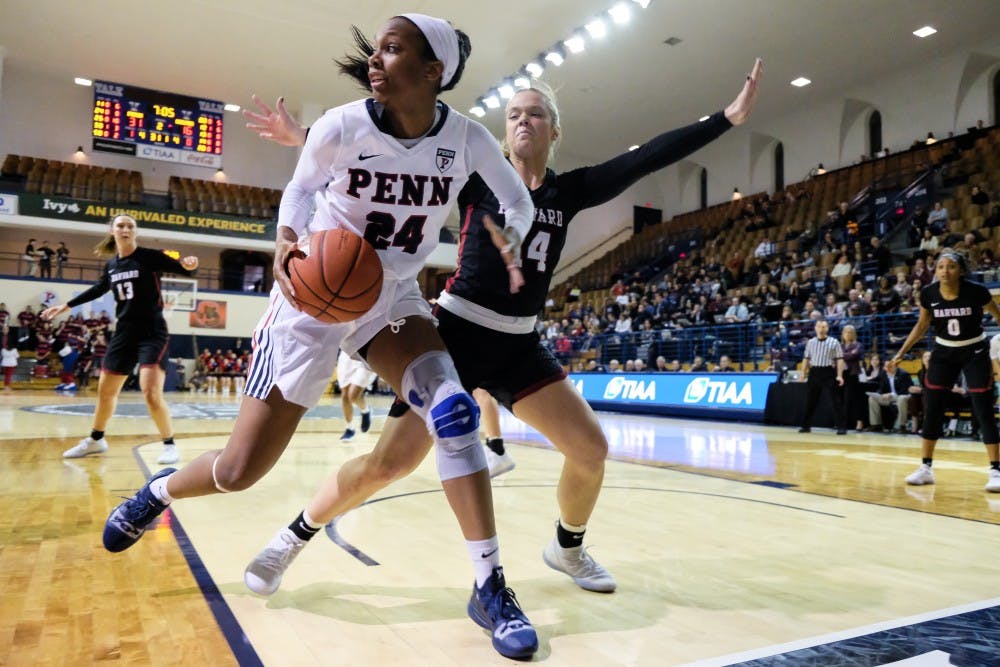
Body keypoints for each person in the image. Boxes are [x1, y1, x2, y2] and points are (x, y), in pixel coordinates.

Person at [241, 46, 763, 612]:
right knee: (389, 464)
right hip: (456, 336)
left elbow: (647, 159)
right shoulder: (474, 178)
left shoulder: (571, 191)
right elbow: (395, 149)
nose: (520, 120)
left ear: (553, 131)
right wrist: (307, 136)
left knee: (590, 449)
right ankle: (291, 537)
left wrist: (726, 119)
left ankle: (567, 548)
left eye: (533, 113)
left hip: (520, 343)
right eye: (513, 113)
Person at [103, 16, 540, 660]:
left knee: (452, 411)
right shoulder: (341, 123)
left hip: (387, 298)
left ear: (431, 73)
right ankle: (158, 492)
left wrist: (507, 235)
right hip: (309, 302)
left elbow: (520, 204)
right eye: (377, 48)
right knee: (237, 471)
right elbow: (300, 191)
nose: (375, 60)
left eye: (393, 51)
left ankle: (488, 585)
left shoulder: (469, 141)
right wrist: (285, 239)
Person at [41, 215, 198, 464]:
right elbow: (98, 289)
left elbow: (184, 268)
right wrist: (66, 306)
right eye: (120, 225)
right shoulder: (112, 265)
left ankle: (169, 444)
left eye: (130, 226)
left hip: (152, 332)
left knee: (150, 392)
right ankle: (96, 439)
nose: (125, 229)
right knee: (106, 393)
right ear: (112, 231)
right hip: (124, 333)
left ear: (135, 232)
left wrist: (190, 264)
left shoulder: (148, 256)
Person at [891, 250, 1000, 491]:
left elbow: (998, 315)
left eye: (950, 266)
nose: (944, 270)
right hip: (943, 352)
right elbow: (921, 326)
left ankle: (996, 470)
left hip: (975, 351)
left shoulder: (977, 291)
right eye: (940, 266)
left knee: (982, 408)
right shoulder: (928, 294)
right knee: (933, 408)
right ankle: (925, 468)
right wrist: (900, 353)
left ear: (960, 270)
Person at [798, 319, 846, 434]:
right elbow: (806, 358)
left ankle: (841, 427)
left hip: (828, 371)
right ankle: (805, 426)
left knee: (836, 401)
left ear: (827, 328)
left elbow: (839, 360)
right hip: (814, 372)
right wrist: (803, 373)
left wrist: (840, 375)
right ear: (815, 328)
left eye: (824, 327)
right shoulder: (810, 342)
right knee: (810, 401)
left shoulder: (834, 342)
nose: (821, 329)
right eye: (819, 326)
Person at [335, 349, 376, 441]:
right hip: (347, 354)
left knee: (353, 396)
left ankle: (365, 410)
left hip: (366, 354)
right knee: (345, 396)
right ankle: (350, 429)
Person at [867, 358, 911, 432]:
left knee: (901, 398)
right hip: (889, 397)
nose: (888, 368)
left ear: (896, 366)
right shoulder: (884, 374)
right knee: (872, 398)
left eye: (890, 366)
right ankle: (876, 425)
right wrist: (879, 394)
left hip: (901, 396)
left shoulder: (903, 374)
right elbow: (881, 387)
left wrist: (891, 394)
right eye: (886, 366)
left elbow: (905, 391)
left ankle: (901, 426)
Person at [840, 324, 865, 431]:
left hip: (852, 374)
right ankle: (843, 423)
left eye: (850, 332)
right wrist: (846, 354)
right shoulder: (839, 346)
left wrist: (842, 355)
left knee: (855, 399)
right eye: (846, 332)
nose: (848, 334)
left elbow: (854, 355)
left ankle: (859, 421)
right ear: (843, 334)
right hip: (841, 375)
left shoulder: (858, 345)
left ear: (854, 334)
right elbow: (836, 357)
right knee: (843, 399)